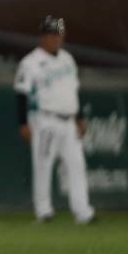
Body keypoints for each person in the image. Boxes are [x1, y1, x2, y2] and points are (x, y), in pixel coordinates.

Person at [14, 16, 94, 225]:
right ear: (44, 37)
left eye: (60, 35)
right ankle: (43, 211)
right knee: (43, 165)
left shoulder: (68, 59)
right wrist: (23, 123)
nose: (57, 39)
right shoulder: (30, 63)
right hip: (45, 120)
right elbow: (21, 94)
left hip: (69, 121)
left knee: (77, 164)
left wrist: (80, 118)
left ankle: (83, 212)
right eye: (53, 35)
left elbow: (74, 90)